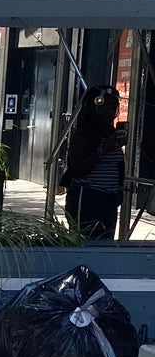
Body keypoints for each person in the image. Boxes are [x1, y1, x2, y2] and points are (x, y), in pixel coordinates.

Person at [61, 84, 125, 241]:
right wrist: (102, 150)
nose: (110, 113)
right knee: (88, 244)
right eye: (106, 108)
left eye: (113, 108)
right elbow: (78, 168)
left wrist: (118, 192)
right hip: (88, 198)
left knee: (104, 244)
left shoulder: (109, 133)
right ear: (95, 106)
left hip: (107, 199)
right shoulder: (85, 133)